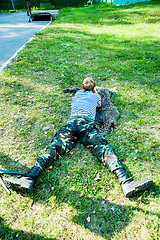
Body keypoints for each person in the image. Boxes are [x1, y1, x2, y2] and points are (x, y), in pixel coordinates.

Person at [5, 77, 153, 198]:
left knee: (53, 149)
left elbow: (82, 94)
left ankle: (30, 178)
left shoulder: (77, 94)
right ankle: (125, 181)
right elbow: (99, 106)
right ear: (94, 88)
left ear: (81, 87)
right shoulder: (96, 96)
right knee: (103, 149)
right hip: (86, 124)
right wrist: (95, 93)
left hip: (72, 122)